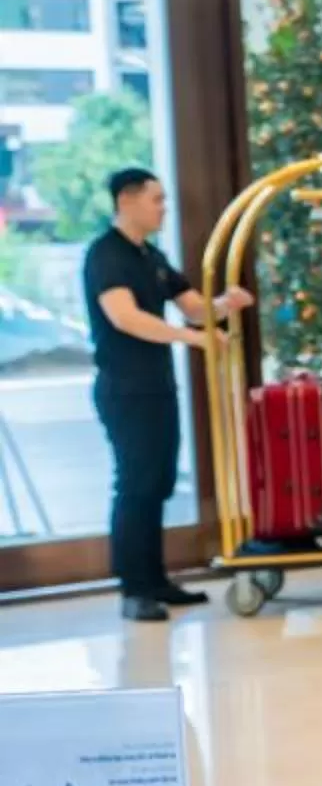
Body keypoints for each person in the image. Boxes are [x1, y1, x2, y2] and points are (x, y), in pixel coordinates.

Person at [83, 168, 248, 622]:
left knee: (157, 483)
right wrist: (190, 338)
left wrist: (224, 306)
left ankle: (156, 581)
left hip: (157, 386)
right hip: (124, 388)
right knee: (135, 484)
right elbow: (125, 318)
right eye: (157, 199)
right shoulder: (106, 255)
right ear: (127, 200)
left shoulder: (150, 255)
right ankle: (134, 590)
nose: (163, 208)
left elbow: (195, 307)